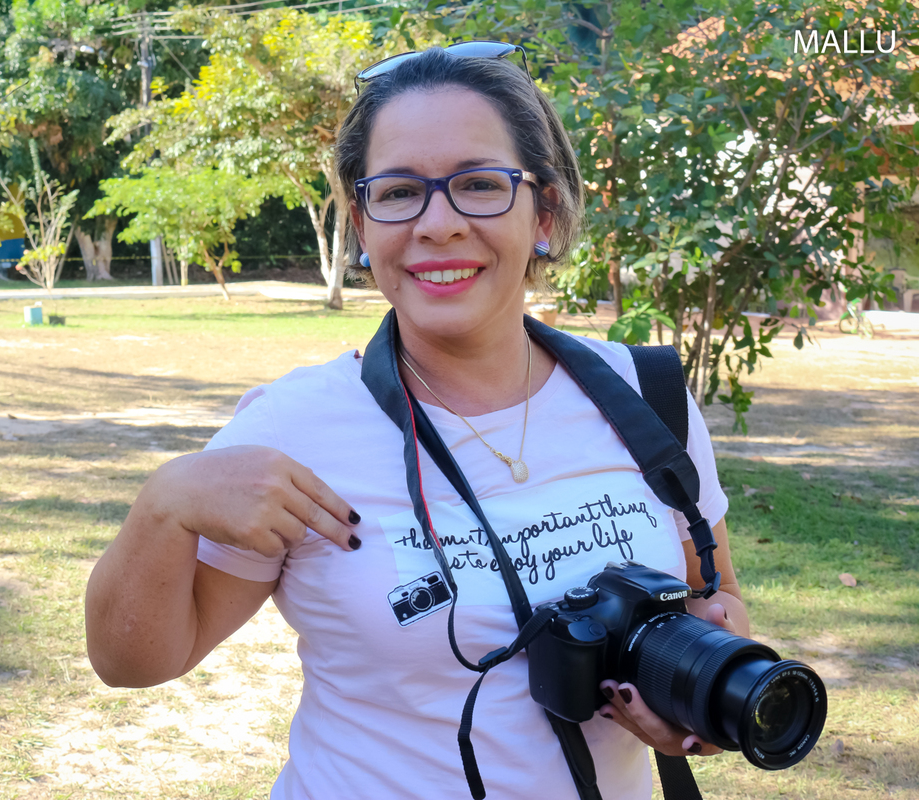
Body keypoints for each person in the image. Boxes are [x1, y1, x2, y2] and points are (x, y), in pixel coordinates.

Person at [85, 42, 748, 799]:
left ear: (545, 211)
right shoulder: (294, 427)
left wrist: (700, 704)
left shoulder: (647, 392)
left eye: (478, 184)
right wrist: (162, 506)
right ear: (363, 226)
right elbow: (133, 662)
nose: (438, 224)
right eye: (399, 192)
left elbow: (714, 603)